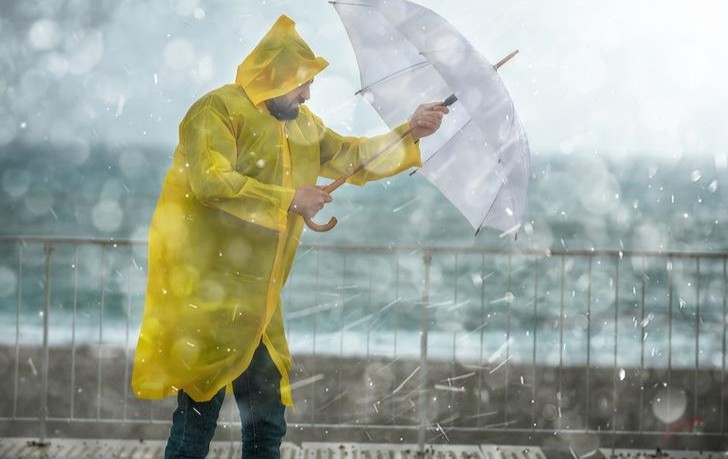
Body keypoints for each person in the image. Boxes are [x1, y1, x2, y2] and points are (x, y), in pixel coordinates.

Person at [131, 14, 448, 459]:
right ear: (272, 76)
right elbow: (210, 182)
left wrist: (410, 130)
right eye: (301, 83)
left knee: (267, 423)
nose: (307, 94)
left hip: (260, 304)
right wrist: (288, 199)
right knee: (196, 420)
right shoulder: (217, 110)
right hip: (209, 297)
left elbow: (351, 155)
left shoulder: (302, 125)